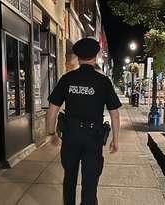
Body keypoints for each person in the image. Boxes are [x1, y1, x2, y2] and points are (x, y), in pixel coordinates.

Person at [46, 37, 122, 205]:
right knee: (90, 182)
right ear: (95, 56)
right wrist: (116, 140)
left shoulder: (67, 79)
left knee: (69, 178)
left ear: (77, 57)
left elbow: (52, 109)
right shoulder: (103, 82)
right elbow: (114, 114)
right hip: (93, 138)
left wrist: (52, 133)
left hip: (71, 136)